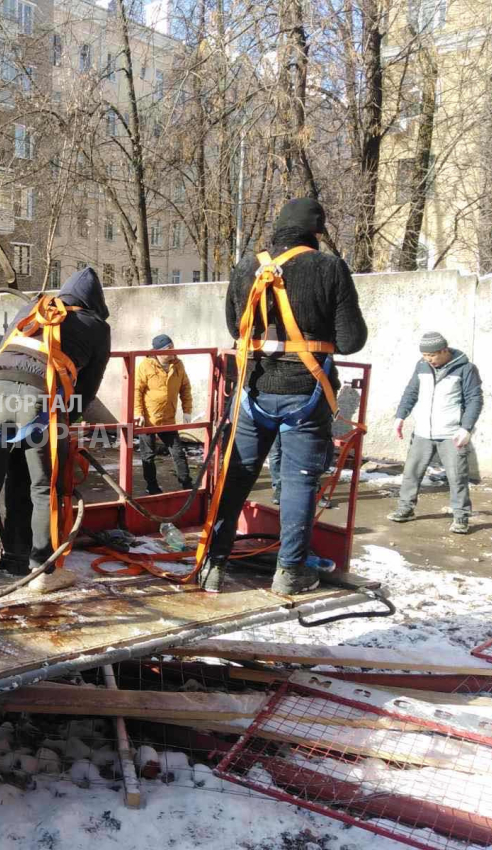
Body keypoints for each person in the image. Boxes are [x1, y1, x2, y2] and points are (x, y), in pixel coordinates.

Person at [199, 197, 368, 595]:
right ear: (315, 233)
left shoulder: (247, 266)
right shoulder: (328, 267)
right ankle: (290, 572)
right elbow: (350, 340)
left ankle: (212, 566)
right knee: (298, 482)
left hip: (251, 389)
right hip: (305, 393)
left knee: (236, 476)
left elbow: (233, 326)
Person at [0, 267, 111, 593]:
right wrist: (67, 423)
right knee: (44, 488)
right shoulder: (98, 327)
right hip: (37, 399)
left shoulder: (34, 308)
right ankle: (43, 571)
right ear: (94, 304)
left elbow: (4, 349)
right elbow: (87, 388)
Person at [388, 332, 483, 534]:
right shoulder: (422, 366)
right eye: (424, 355)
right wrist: (400, 416)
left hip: (452, 433)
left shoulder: (466, 369)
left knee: (457, 476)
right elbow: (411, 392)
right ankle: (406, 508)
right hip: (423, 431)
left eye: (431, 355)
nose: (428, 359)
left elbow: (475, 399)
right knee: (411, 473)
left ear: (444, 350)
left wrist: (466, 428)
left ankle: (461, 517)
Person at [134, 334, 194, 494]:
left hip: (168, 419)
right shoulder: (145, 365)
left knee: (178, 452)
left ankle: (187, 483)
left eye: (174, 347)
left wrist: (187, 410)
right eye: (170, 348)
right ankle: (152, 487)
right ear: (159, 352)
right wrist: (138, 413)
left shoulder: (178, 365)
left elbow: (185, 388)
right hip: (148, 420)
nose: (174, 351)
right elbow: (136, 390)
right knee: (148, 455)